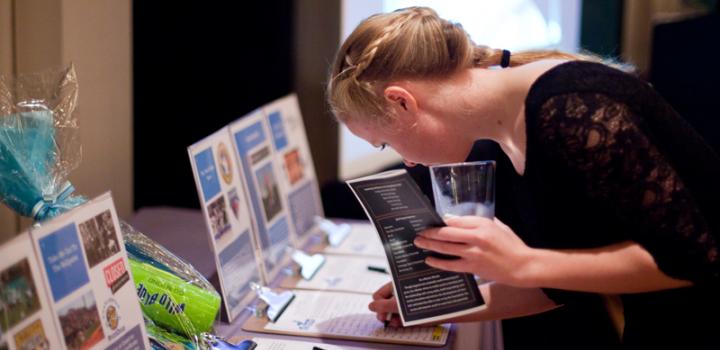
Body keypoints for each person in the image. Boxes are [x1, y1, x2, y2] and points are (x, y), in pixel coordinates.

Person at [326, 6, 720, 349]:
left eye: (387, 144)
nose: (407, 163)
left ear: (402, 101)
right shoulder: (511, 132)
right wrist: (439, 306)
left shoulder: (569, 109)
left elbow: (696, 259)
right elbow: (561, 285)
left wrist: (524, 263)